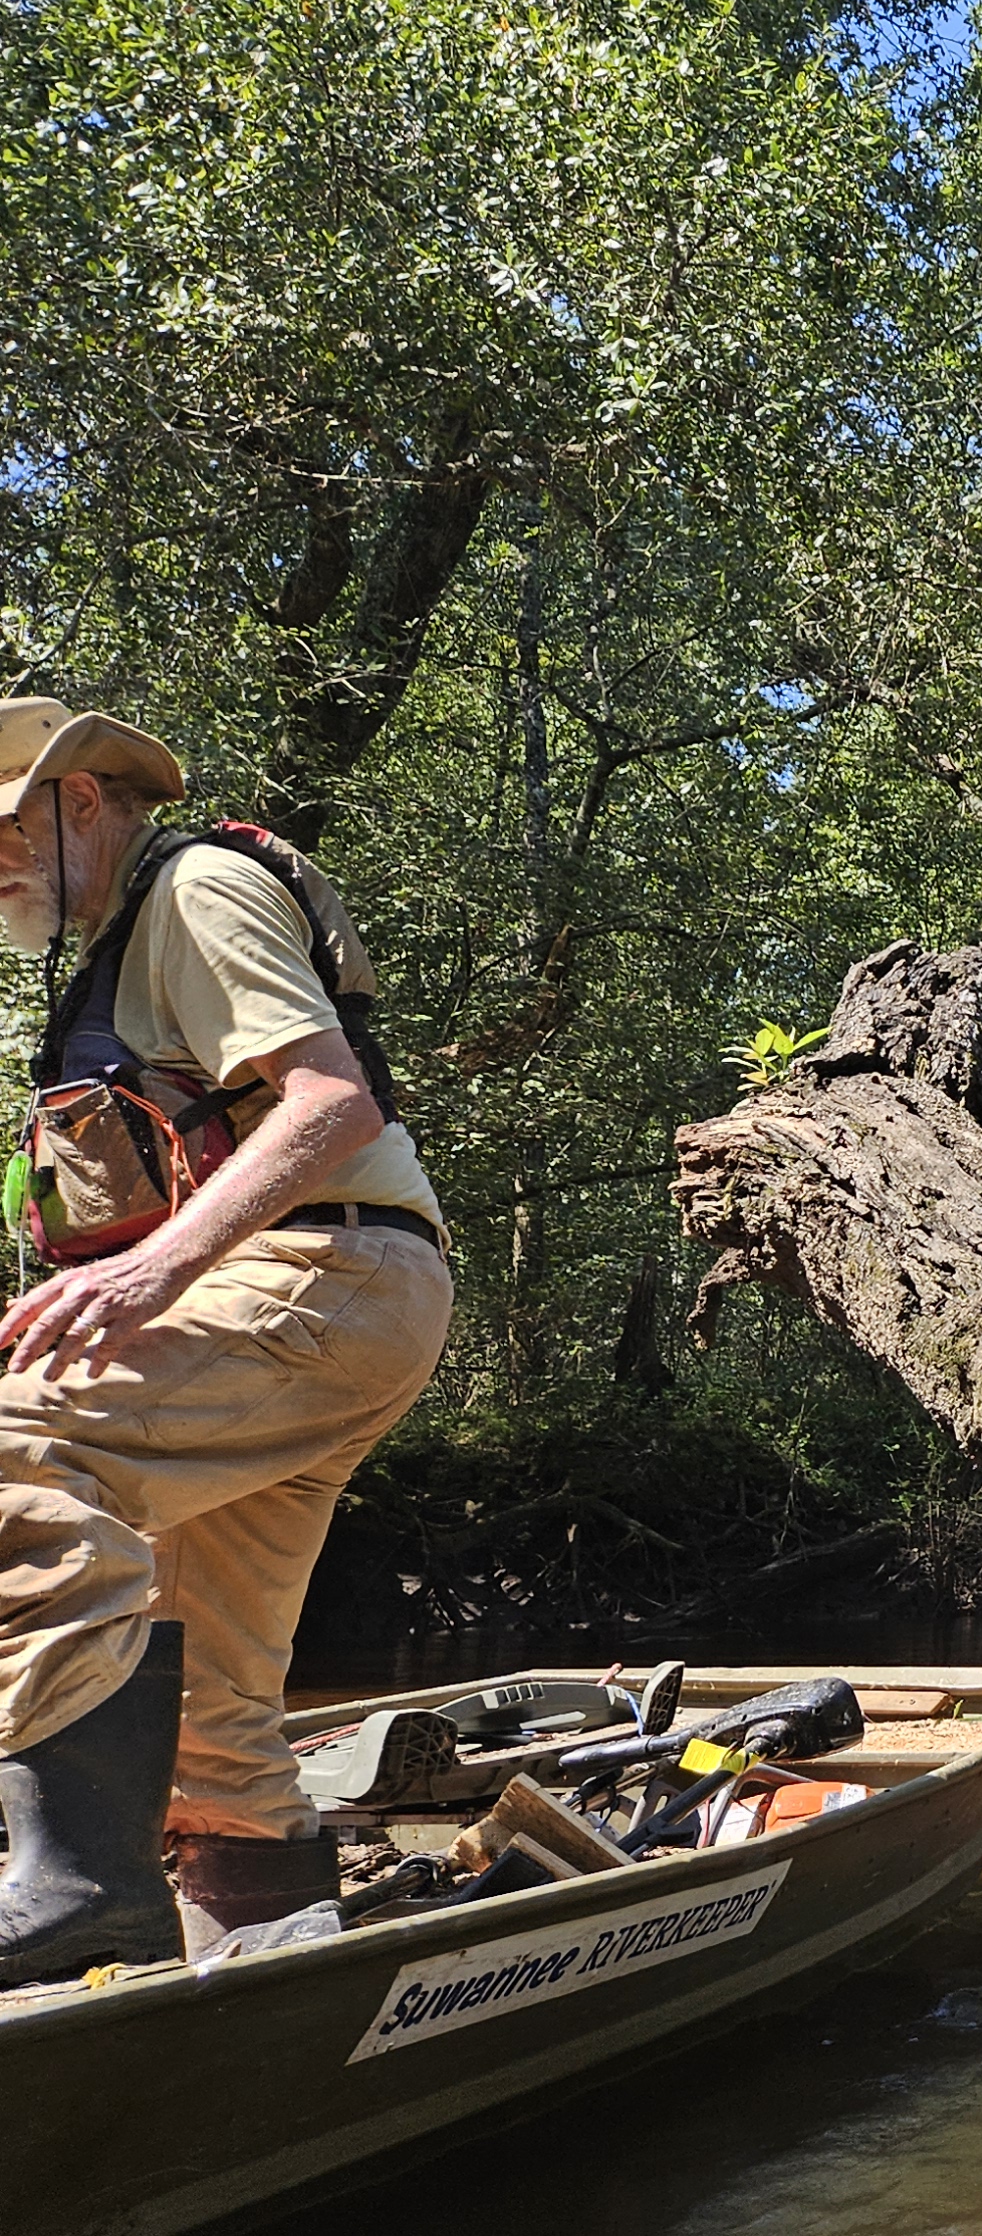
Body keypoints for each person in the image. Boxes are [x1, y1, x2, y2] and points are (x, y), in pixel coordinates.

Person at [0, 699, 453, 1981]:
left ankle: (80, 1880)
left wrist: (156, 1265)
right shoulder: (109, 946)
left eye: (1, 833)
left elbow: (328, 1099)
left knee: (16, 1447)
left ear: (79, 800)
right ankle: (264, 1986)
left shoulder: (194, 888)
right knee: (212, 1710)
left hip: (325, 1272)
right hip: (305, 1304)